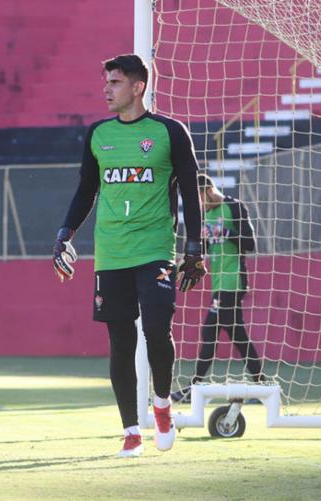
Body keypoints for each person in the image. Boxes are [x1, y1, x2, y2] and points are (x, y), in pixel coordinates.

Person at [52, 54, 206, 458]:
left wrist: (195, 248)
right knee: (120, 341)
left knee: (156, 328)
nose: (106, 89)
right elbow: (86, 190)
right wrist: (64, 235)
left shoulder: (170, 132)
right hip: (112, 253)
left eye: (115, 82)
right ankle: (131, 431)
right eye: (106, 82)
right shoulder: (97, 134)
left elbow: (191, 193)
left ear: (138, 87)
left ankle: (162, 404)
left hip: (155, 249)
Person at [171, 173, 265, 404]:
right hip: (219, 284)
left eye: (201, 197)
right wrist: (182, 265)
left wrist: (228, 233)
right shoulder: (207, 217)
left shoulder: (234, 207)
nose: (201, 203)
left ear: (208, 191)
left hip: (234, 282)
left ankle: (195, 388)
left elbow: (251, 244)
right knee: (238, 336)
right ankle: (263, 386)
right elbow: (201, 251)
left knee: (209, 332)